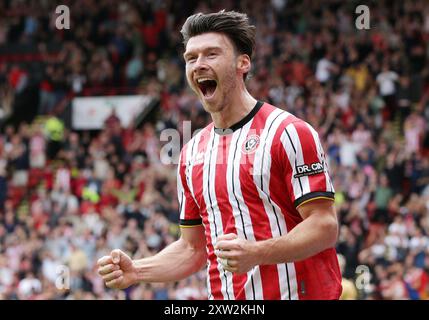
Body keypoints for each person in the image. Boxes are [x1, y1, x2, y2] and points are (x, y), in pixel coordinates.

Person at [97, 10, 342, 300]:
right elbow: (192, 248)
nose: (199, 65)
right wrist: (137, 270)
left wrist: (256, 252)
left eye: (211, 54)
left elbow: (324, 226)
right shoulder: (191, 154)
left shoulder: (288, 132)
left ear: (243, 63)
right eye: (191, 58)